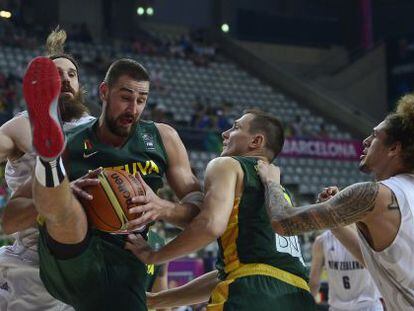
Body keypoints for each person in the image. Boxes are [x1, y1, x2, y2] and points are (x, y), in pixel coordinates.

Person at [19, 57, 201, 310]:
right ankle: (53, 174)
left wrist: (165, 208)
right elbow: (10, 219)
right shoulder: (71, 142)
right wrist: (61, 196)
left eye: (141, 100)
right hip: (71, 254)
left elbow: (200, 211)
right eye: (126, 98)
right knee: (70, 208)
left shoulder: (162, 137)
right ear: (104, 92)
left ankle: (54, 179)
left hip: (126, 257)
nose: (133, 109)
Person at [126, 109, 316, 310]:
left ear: (256, 141)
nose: (224, 133)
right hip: (299, 298)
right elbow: (237, 273)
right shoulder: (280, 194)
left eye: (235, 127)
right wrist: (157, 300)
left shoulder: (228, 165)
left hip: (254, 296)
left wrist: (154, 256)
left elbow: (210, 225)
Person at [256, 94, 414, 310]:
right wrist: (335, 220)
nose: (366, 141)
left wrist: (272, 182)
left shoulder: (374, 195)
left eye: (375, 135)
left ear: (394, 148)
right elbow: (376, 261)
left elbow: (283, 222)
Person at [0, 27, 94, 311]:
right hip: (33, 261)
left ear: (80, 85)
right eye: (56, 75)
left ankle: (53, 170)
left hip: (84, 264)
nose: (65, 79)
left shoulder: (99, 129)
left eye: (72, 74)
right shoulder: (21, 125)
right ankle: (52, 175)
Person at [309, 231, 383, 311]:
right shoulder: (321, 241)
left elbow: (314, 283)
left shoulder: (322, 241)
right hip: (360, 306)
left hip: (367, 306)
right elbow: (314, 283)